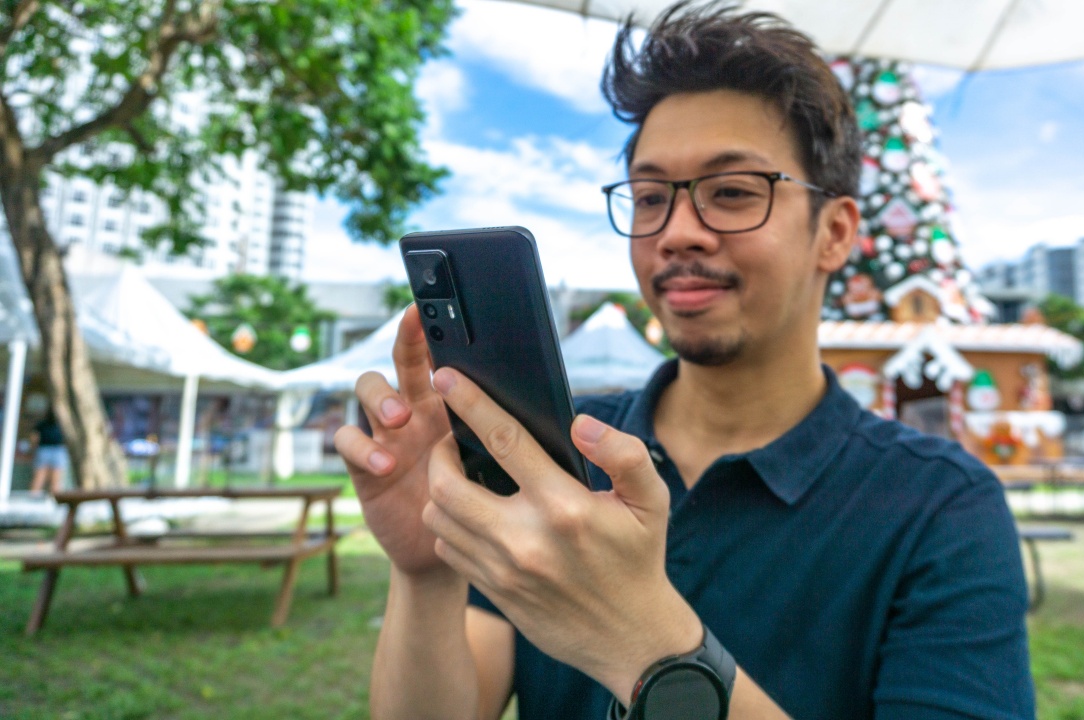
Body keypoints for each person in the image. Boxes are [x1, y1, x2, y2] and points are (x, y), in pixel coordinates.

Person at [335, 3, 1034, 718]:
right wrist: (427, 574)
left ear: (834, 232)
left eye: (731, 192)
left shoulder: (941, 505)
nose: (676, 232)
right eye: (649, 197)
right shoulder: (556, 454)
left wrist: (644, 640)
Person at [30, 411, 69, 495]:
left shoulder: (61, 424)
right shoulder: (42, 424)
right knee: (41, 476)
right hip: (46, 450)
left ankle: (52, 497)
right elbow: (35, 438)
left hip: (55, 450)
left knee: (55, 478)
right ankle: (34, 496)